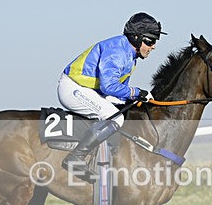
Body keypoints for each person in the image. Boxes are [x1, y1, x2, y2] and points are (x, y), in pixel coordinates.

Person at [57, 12, 165, 181]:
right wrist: (136, 92)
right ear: (136, 38)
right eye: (150, 41)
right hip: (73, 88)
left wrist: (135, 97)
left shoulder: (131, 55)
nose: (153, 46)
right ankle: (75, 158)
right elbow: (109, 86)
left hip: (90, 90)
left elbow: (119, 90)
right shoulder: (117, 52)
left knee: (122, 111)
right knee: (115, 119)